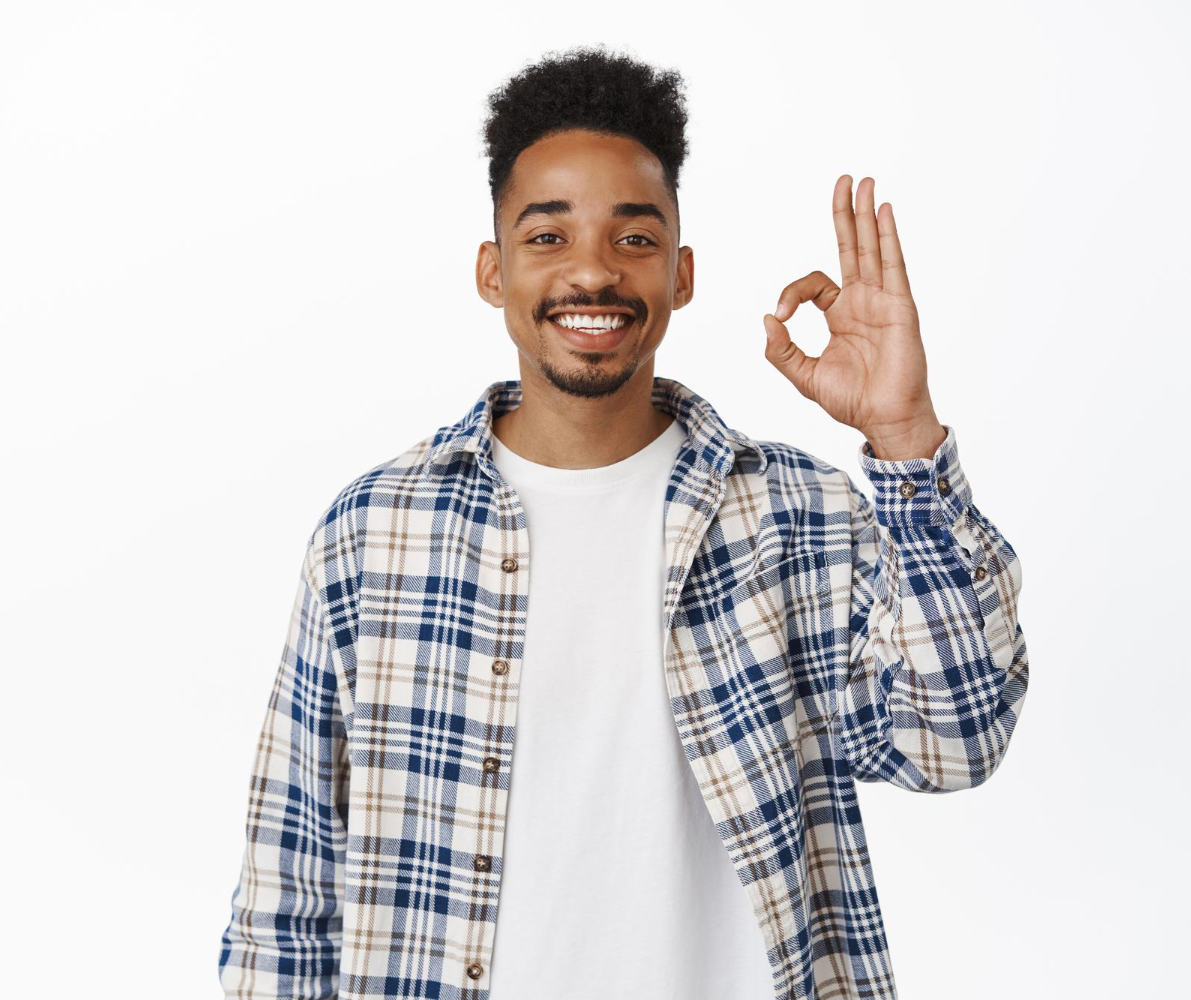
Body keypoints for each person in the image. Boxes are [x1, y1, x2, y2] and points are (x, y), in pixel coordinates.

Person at [217, 43, 1028, 1000]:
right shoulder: (376, 533)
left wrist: (903, 434)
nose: (593, 273)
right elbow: (287, 894)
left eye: (634, 239)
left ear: (682, 275)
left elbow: (955, 740)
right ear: (494, 270)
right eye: (548, 236)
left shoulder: (795, 519)